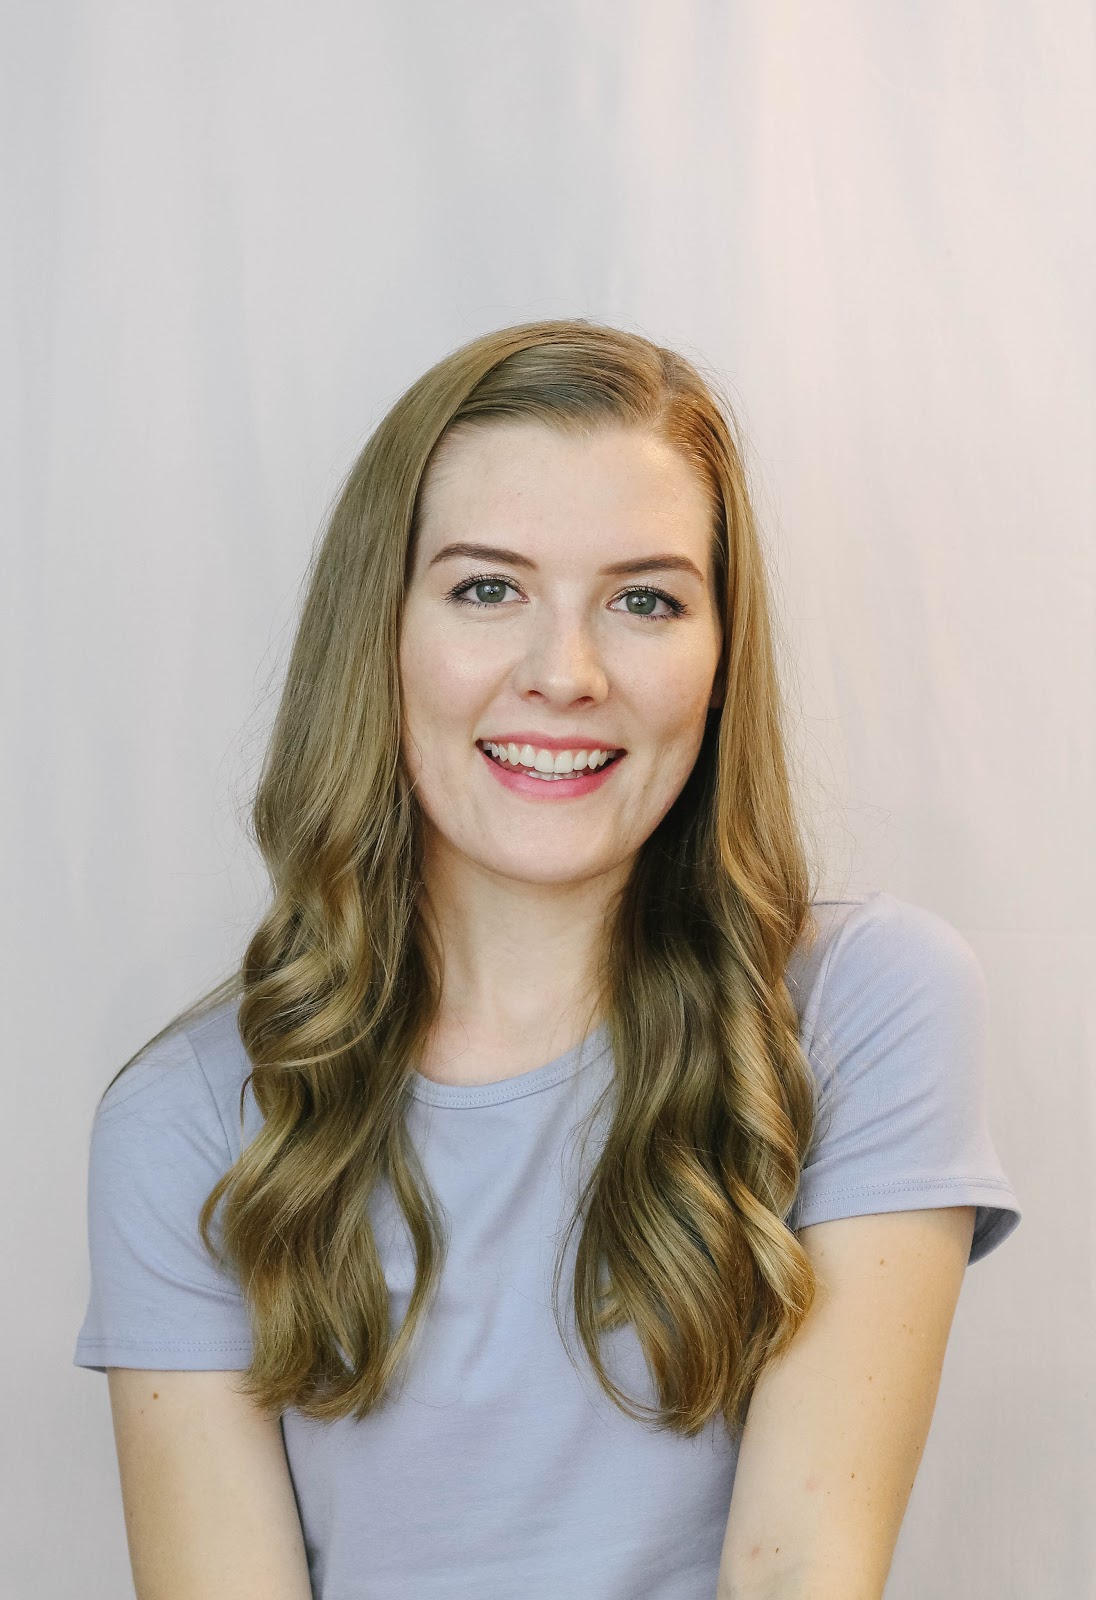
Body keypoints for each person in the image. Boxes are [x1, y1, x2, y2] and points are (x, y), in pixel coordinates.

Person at [74, 319, 1022, 1600]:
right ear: (378, 638)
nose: (565, 674)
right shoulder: (186, 1119)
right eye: (486, 589)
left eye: (644, 600)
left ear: (719, 658)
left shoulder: (864, 1005)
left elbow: (800, 1571)